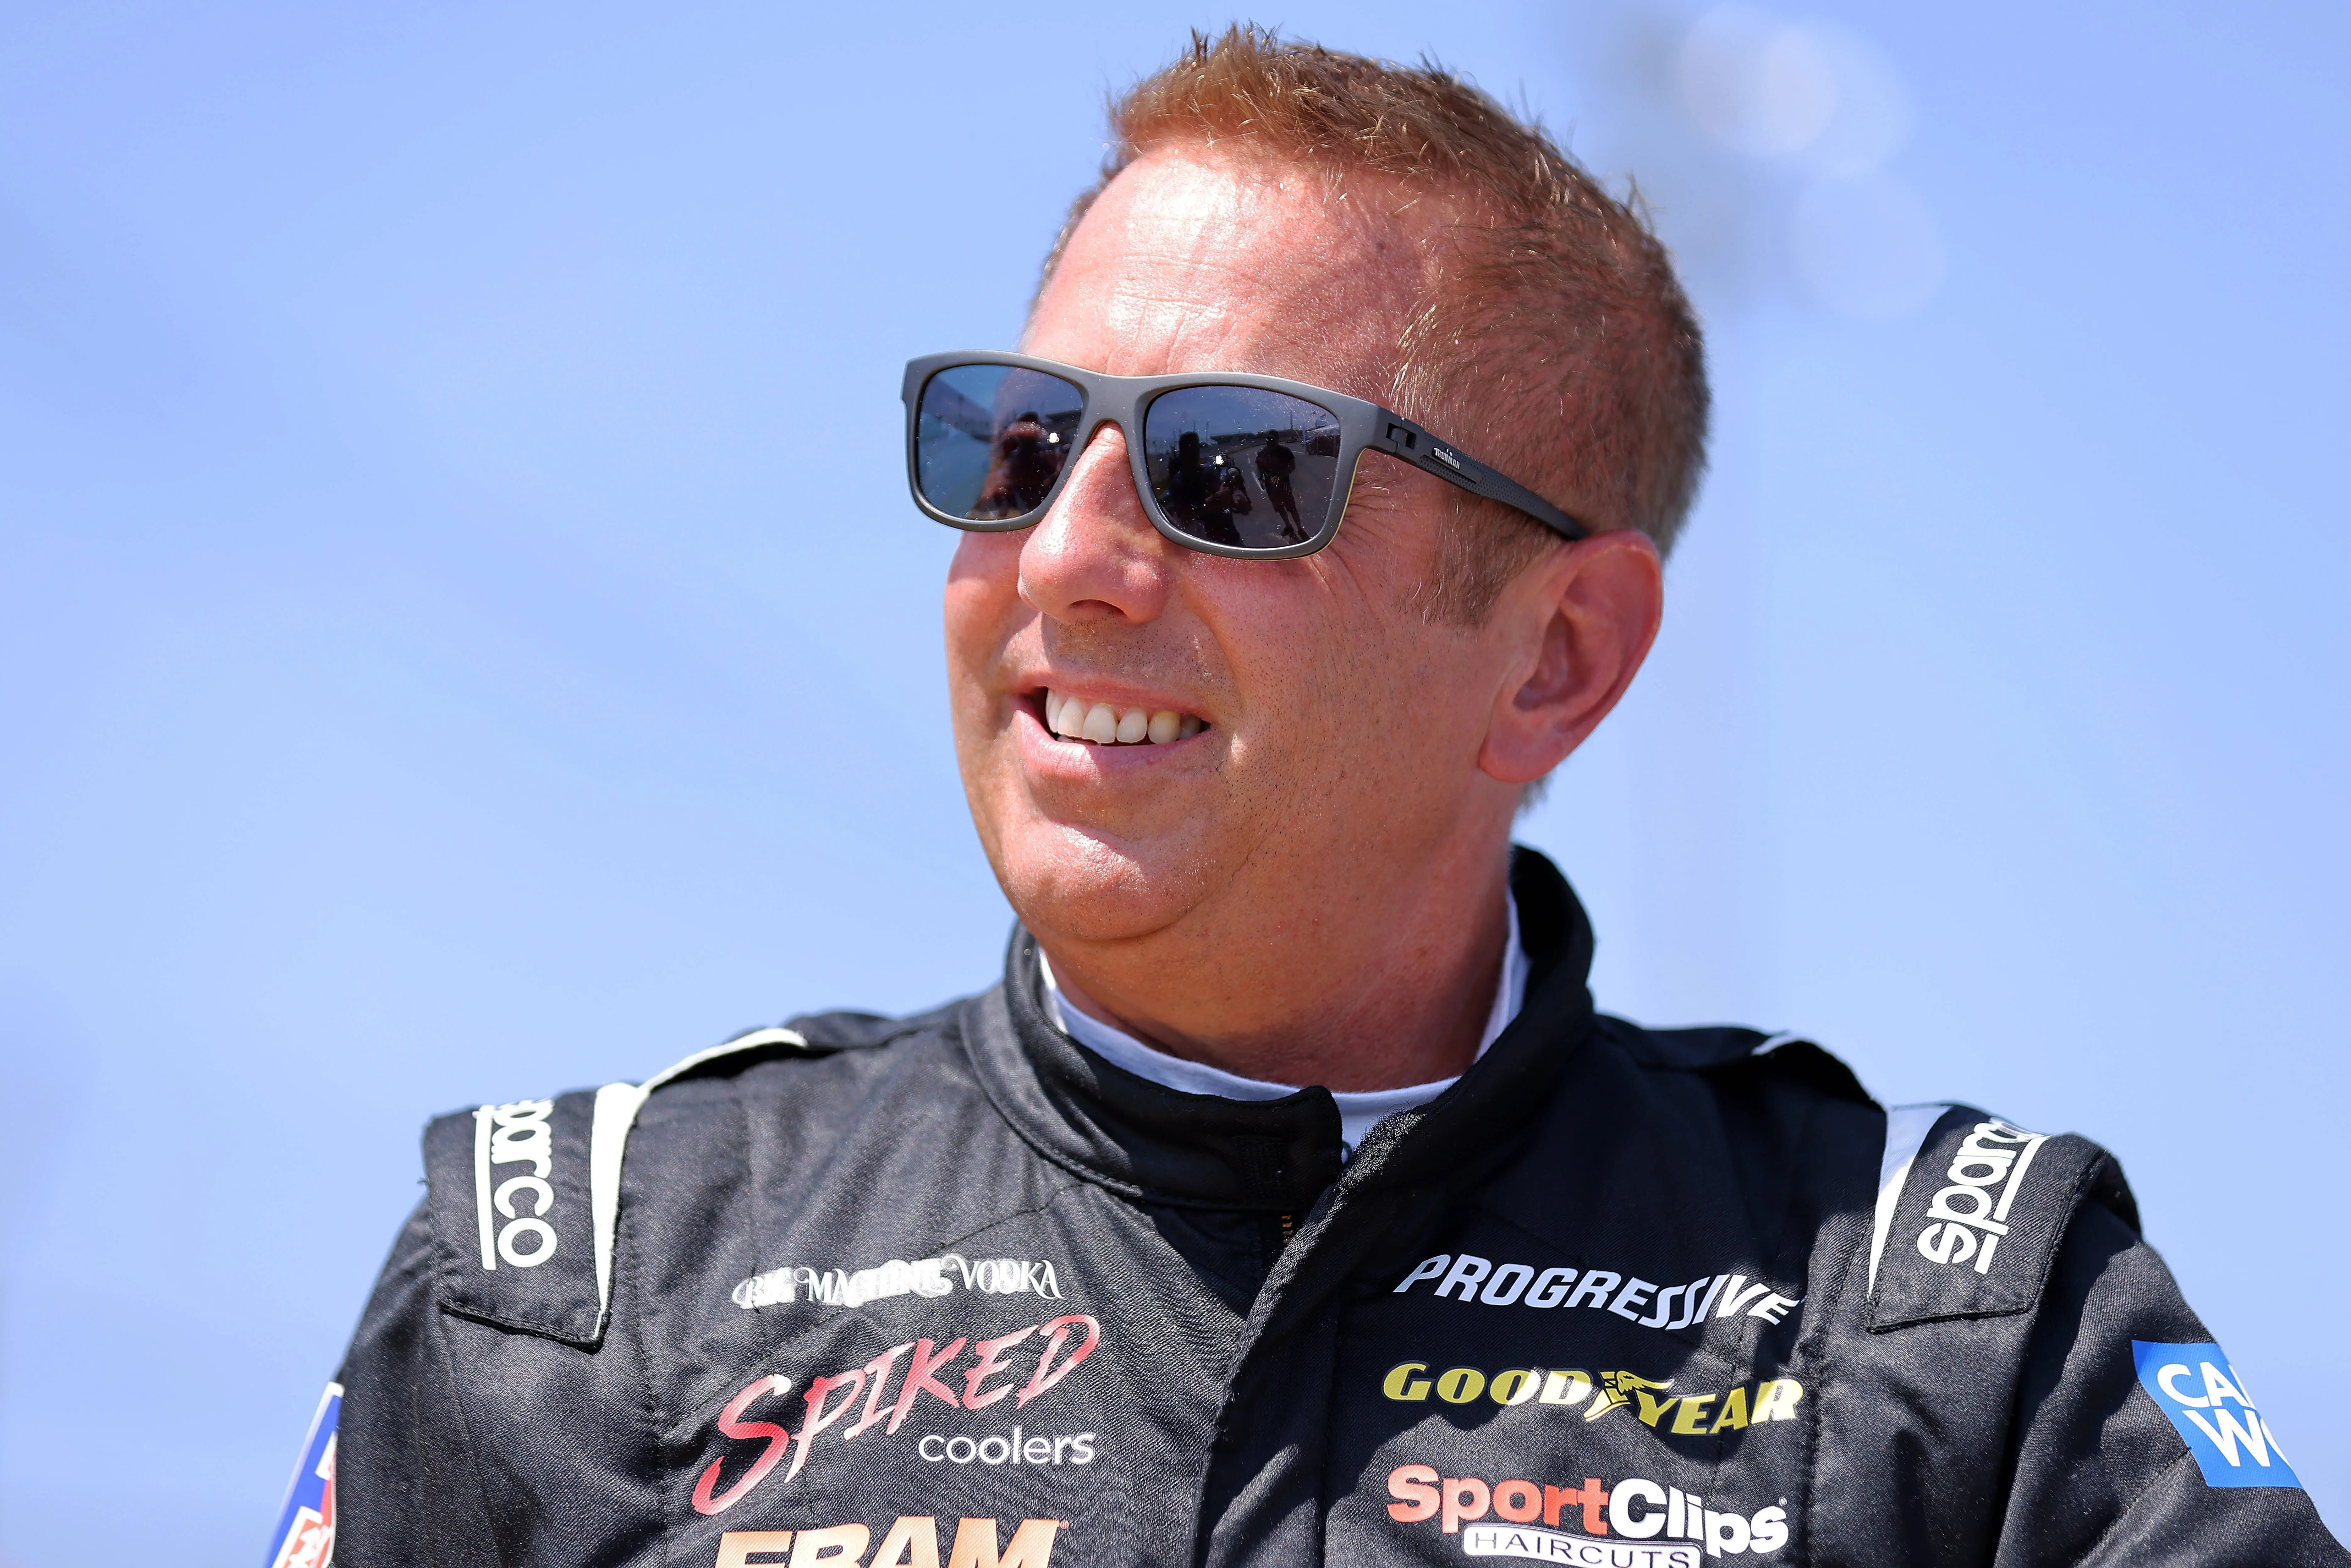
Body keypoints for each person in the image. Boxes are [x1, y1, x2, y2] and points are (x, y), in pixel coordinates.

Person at [283, 27, 2345, 1568]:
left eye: (1237, 470)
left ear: (1555, 658)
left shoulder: (1948, 1327)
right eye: (1012, 445)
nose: (1072, 555)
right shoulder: (571, 1284)